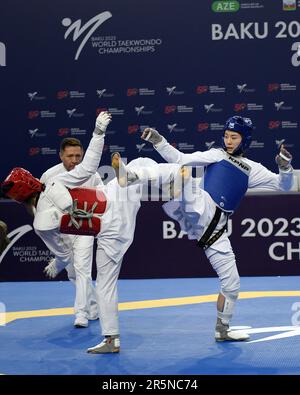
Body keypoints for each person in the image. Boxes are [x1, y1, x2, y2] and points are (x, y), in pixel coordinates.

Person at [113, 115, 294, 342]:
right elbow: (180, 157)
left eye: (234, 137)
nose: (228, 141)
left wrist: (285, 168)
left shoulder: (253, 169)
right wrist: (158, 141)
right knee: (181, 172)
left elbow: (283, 185)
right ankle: (132, 176)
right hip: (201, 207)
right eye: (226, 136)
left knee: (232, 283)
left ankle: (222, 329)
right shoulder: (216, 155)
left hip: (216, 230)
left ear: (245, 140)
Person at [0, 112, 158, 354]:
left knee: (102, 283)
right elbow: (89, 165)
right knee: (140, 165)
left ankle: (109, 337)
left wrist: (60, 262)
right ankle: (176, 180)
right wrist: (98, 133)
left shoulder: (41, 223)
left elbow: (63, 254)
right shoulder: (56, 181)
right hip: (118, 202)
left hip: (111, 234)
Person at [40, 137, 102, 328]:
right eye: (70, 156)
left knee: (83, 269)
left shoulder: (92, 175)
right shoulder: (48, 176)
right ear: (61, 156)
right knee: (73, 273)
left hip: (84, 228)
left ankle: (80, 314)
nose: (75, 160)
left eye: (78, 156)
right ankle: (93, 308)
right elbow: (39, 206)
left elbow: (102, 201)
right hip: (61, 230)